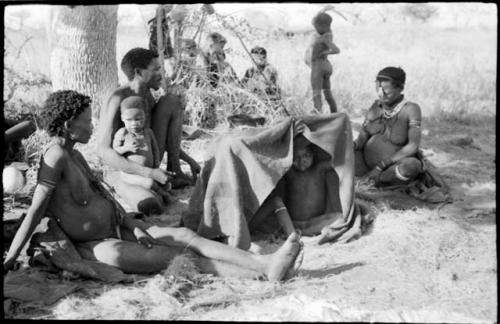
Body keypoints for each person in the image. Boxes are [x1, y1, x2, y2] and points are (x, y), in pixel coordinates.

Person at [3, 90, 303, 282]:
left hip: (120, 229)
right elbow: (34, 212)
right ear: (68, 126)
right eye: (86, 120)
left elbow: (103, 197)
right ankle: (261, 273)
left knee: (185, 235)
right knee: (173, 258)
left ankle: (263, 262)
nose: (93, 125)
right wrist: (11, 257)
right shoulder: (54, 157)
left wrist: (132, 225)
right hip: (95, 246)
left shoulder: (74, 153)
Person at [97, 48, 201, 215]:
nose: (162, 73)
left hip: (150, 161)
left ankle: (176, 171)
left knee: (171, 101)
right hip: (124, 168)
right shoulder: (117, 97)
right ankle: (150, 186)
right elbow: (102, 150)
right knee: (151, 205)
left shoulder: (149, 96)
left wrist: (188, 160)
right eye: (156, 69)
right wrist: (148, 173)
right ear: (139, 72)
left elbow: (154, 136)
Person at [249, 133, 343, 237]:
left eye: (306, 156)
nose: (301, 160)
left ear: (314, 154)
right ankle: (295, 231)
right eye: (296, 157)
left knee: (339, 217)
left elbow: (339, 161)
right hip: (291, 221)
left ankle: (300, 232)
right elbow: (272, 163)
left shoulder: (319, 169)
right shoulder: (290, 172)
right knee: (268, 222)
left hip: (314, 221)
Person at [353, 66, 423, 187]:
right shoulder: (376, 106)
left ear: (400, 88)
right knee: (337, 150)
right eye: (378, 89)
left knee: (412, 165)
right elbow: (363, 136)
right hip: (364, 165)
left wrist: (381, 167)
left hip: (389, 170)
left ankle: (376, 181)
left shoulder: (411, 109)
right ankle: (367, 179)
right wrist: (353, 145)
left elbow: (413, 145)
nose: (381, 94)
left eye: (387, 91)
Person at [112, 96, 174, 205]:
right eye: (129, 120)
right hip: (130, 173)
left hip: (149, 170)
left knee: (166, 182)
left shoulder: (148, 132)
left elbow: (155, 150)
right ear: (122, 118)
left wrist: (156, 165)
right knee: (150, 183)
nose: (134, 123)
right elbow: (115, 150)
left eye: (138, 119)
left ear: (144, 117)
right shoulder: (123, 133)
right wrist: (126, 148)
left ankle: (163, 190)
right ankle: (164, 195)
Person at [305, 8, 340, 113]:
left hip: (318, 66)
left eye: (316, 26)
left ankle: (318, 116)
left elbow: (336, 50)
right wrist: (323, 10)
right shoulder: (329, 33)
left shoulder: (324, 37)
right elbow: (316, 20)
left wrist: (325, 52)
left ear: (323, 25)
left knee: (316, 94)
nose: (315, 28)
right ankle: (335, 113)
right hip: (326, 65)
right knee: (327, 93)